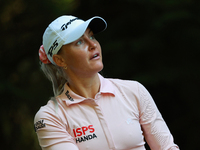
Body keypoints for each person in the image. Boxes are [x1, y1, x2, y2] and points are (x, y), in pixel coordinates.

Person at [34, 15, 180, 150]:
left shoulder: (133, 91)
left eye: (91, 36)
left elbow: (167, 147)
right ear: (60, 60)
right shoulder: (51, 116)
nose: (93, 44)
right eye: (79, 41)